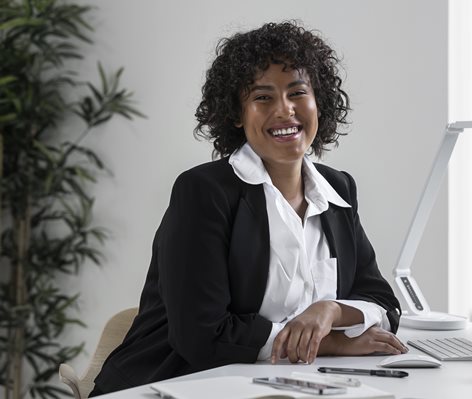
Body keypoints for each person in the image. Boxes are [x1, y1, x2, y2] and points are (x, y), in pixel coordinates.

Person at [90, 21, 406, 396]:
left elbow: (383, 304)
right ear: (237, 114)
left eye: (297, 92)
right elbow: (202, 336)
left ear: (318, 100)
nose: (284, 110)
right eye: (263, 97)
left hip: (286, 385)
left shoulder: (337, 189)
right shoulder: (203, 192)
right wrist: (330, 342)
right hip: (174, 383)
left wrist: (331, 312)